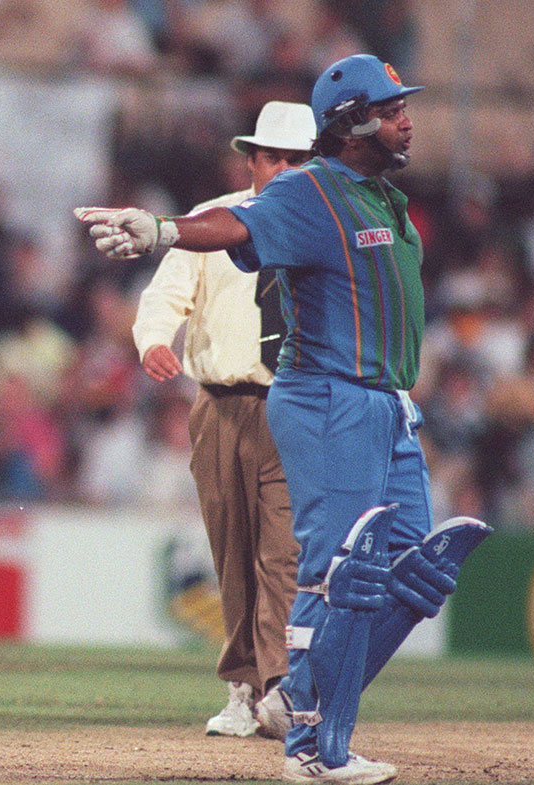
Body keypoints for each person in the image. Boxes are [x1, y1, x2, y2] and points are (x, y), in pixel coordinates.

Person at [76, 55, 492, 785]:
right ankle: (310, 746)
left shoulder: (381, 197)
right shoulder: (311, 191)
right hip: (327, 393)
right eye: (393, 108)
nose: (408, 119)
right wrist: (163, 230)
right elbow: (234, 224)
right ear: (353, 121)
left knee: (413, 571)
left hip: (389, 403)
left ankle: (299, 696)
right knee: (338, 570)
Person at [131, 101, 314, 739]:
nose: (287, 170)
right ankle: (245, 687)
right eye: (276, 158)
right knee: (232, 549)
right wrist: (154, 338)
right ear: (252, 160)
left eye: (298, 159)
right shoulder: (215, 222)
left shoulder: (325, 226)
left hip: (294, 405)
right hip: (220, 403)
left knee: (284, 555)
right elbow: (165, 293)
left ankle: (278, 689)